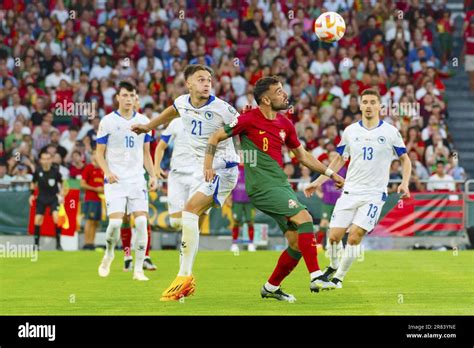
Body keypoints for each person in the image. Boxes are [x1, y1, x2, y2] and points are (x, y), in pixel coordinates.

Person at [205, 76, 345, 302]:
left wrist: (331, 174)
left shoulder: (285, 123)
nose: (284, 94)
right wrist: (208, 166)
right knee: (305, 218)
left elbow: (302, 155)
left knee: (297, 243)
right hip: (261, 186)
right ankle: (316, 275)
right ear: (266, 99)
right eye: (279, 91)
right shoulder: (248, 119)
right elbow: (216, 136)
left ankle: (271, 287)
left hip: (281, 185)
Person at [131, 64, 240, 300]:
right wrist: (148, 127)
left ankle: (183, 278)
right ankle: (185, 278)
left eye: (209, 80)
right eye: (201, 80)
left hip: (224, 169)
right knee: (191, 222)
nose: (207, 83)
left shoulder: (223, 109)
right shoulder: (182, 102)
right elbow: (171, 112)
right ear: (188, 83)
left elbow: (246, 129)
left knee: (189, 211)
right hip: (205, 171)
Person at [304, 88, 411, 289]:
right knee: (333, 236)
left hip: (373, 195)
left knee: (354, 236)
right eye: (365, 102)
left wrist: (404, 182)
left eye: (373, 102)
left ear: (380, 106)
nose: (369, 106)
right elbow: (338, 160)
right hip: (350, 191)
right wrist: (318, 181)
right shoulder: (350, 131)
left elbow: (406, 160)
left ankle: (339, 278)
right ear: (360, 105)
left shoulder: (390, 132)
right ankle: (333, 266)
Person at [95, 81, 157, 281]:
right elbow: (99, 154)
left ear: (135, 97)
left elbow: (146, 154)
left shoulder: (144, 121)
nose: (128, 99)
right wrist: (107, 172)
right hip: (115, 181)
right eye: (124, 95)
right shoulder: (107, 121)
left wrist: (153, 175)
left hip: (137, 180)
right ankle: (109, 253)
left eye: (132, 95)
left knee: (140, 221)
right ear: (117, 97)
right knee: (114, 224)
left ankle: (138, 269)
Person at [29, 151, 65, 251]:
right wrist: (32, 194)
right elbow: (33, 183)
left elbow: (63, 183)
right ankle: (36, 245)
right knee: (37, 220)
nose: (46, 161)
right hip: (41, 198)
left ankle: (58, 244)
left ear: (51, 160)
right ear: (40, 160)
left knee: (56, 218)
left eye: (48, 159)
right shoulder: (38, 171)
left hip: (53, 197)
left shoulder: (55, 171)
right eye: (44, 159)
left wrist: (62, 194)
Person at [80, 149, 104, 250]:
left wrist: (103, 189)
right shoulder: (89, 168)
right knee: (89, 220)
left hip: (100, 200)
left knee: (95, 222)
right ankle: (87, 243)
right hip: (90, 199)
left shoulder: (103, 169)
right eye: (94, 154)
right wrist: (95, 189)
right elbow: (82, 184)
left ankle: (92, 243)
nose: (95, 156)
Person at [230, 163, 256, 253]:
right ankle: (234, 244)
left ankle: (251, 244)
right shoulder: (234, 168)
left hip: (249, 199)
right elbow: (230, 182)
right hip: (237, 199)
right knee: (236, 221)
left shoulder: (251, 168)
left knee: (250, 221)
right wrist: (228, 197)